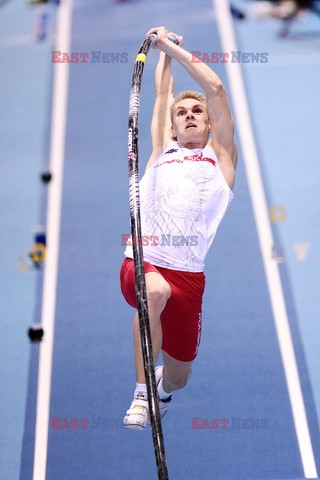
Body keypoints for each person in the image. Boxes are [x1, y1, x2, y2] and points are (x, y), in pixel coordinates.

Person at [120, 26, 237, 430]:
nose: (189, 116)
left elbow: (217, 88)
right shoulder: (161, 151)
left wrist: (169, 47)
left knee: (179, 376)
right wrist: (161, 54)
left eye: (197, 112)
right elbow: (161, 96)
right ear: (172, 128)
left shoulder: (220, 163)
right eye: (181, 114)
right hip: (144, 260)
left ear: (209, 126)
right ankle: (141, 395)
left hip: (189, 276)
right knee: (153, 291)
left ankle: (161, 390)